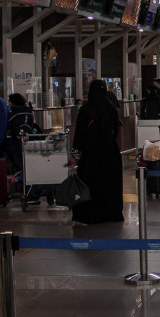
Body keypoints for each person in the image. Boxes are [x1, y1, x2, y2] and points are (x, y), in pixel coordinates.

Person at [70, 79, 124, 224]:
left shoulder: (86, 110)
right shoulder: (111, 108)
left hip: (90, 155)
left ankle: (88, 214)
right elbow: (116, 131)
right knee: (108, 184)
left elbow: (79, 135)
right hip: (109, 154)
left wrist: (75, 155)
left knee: (90, 184)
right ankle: (111, 213)